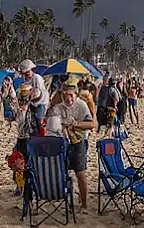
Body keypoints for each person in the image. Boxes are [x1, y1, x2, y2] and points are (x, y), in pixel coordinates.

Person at [46, 79, 97, 212]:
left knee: (80, 173)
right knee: (62, 173)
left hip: (79, 142)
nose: (69, 98)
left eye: (71, 95)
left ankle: (84, 205)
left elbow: (92, 124)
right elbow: (50, 126)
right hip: (63, 142)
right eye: (66, 95)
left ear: (75, 94)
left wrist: (76, 124)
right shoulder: (58, 107)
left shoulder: (81, 105)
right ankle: (67, 200)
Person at [18, 59, 49, 131]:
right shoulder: (26, 80)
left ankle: (42, 138)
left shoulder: (37, 78)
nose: (27, 74)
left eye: (28, 72)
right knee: (32, 122)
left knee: (39, 122)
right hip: (32, 103)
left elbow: (37, 92)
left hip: (40, 103)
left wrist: (28, 101)